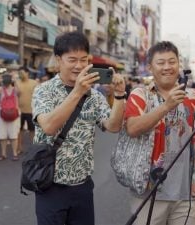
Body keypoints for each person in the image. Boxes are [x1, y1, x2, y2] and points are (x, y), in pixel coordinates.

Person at [123, 41, 195, 225]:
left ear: (179, 64)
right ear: (150, 67)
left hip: (186, 192)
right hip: (148, 190)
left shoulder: (193, 95)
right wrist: (166, 106)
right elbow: (133, 128)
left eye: (172, 61)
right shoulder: (141, 94)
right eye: (161, 62)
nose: (167, 67)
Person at [32, 31, 126, 225]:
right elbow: (49, 126)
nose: (79, 66)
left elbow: (113, 126)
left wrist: (119, 96)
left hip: (83, 186)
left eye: (84, 60)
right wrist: (77, 92)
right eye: (72, 59)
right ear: (58, 60)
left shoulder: (95, 96)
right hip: (50, 185)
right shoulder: (43, 90)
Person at [0, 74, 20, 161]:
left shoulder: (2, 90)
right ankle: (14, 154)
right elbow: (19, 91)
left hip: (3, 115)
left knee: (3, 135)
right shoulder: (13, 90)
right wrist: (15, 81)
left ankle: (4, 154)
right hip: (12, 114)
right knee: (12, 135)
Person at [15, 66, 38, 155]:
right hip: (19, 111)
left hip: (31, 111)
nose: (20, 75)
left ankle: (33, 148)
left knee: (32, 130)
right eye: (19, 73)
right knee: (19, 130)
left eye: (22, 73)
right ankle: (19, 147)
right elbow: (16, 94)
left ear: (27, 73)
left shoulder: (34, 83)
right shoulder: (17, 82)